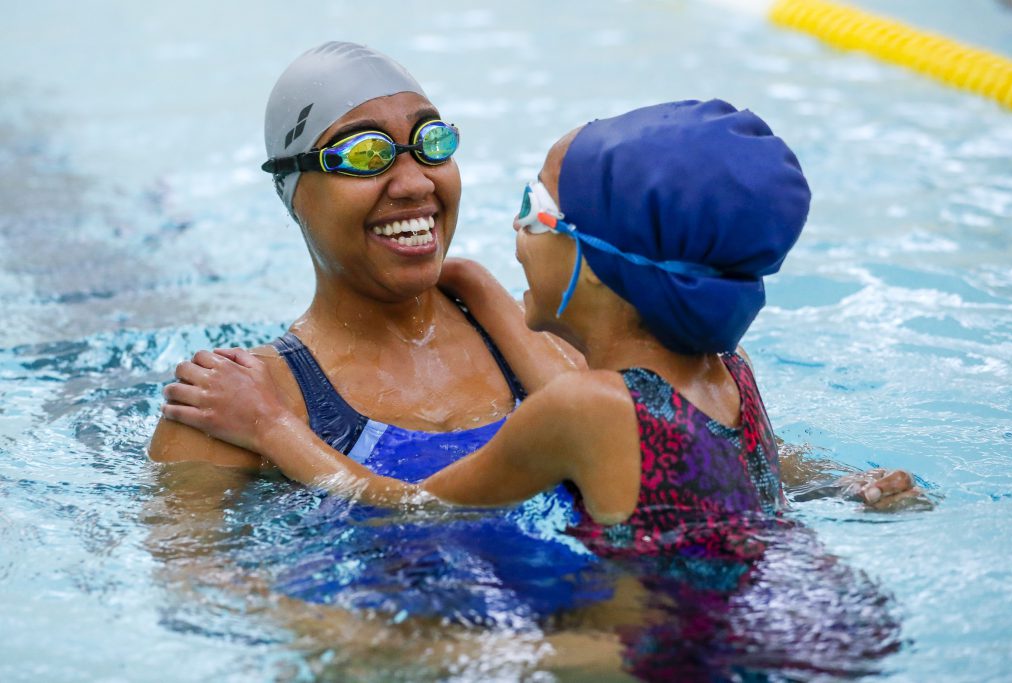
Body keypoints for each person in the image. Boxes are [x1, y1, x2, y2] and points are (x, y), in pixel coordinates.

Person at [162, 99, 926, 549]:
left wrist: (271, 427)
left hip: (649, 650)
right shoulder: (727, 368)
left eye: (534, 212)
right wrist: (840, 482)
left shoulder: (581, 410)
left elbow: (412, 504)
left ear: (596, 263)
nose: (512, 226)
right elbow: (741, 483)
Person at [148, 41, 577, 476]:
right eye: (365, 155)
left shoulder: (553, 339)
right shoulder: (227, 410)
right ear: (293, 194)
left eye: (432, 141)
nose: (415, 184)